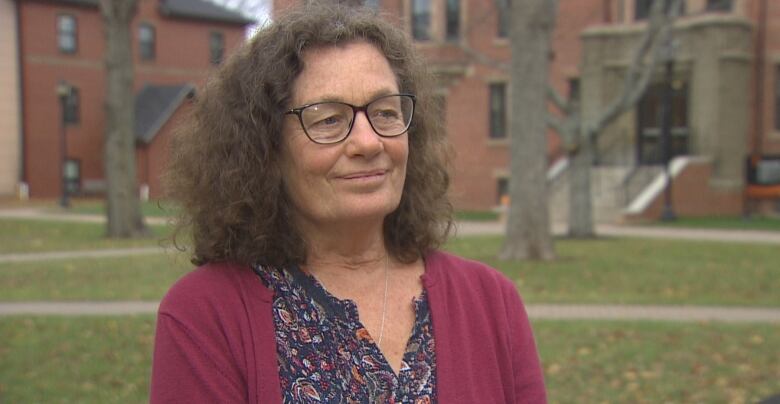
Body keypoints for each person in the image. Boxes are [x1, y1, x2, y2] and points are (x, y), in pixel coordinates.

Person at [150, 3, 546, 403]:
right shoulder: (204, 316)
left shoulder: (491, 302)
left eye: (385, 112)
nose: (368, 142)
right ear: (265, 148)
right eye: (329, 120)